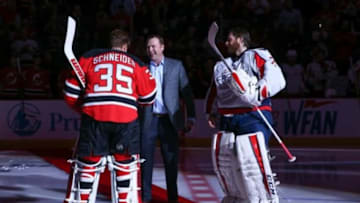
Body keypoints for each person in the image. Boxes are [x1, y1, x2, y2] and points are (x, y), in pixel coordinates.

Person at [63, 29, 156, 203]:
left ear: (109, 45)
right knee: (124, 164)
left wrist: (85, 109)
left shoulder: (89, 57)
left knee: (88, 164)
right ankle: (122, 199)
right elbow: (149, 97)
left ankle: (82, 199)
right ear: (126, 46)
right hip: (125, 120)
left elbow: (69, 93)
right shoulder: (136, 62)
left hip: (94, 118)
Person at [205, 25, 286, 202]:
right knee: (229, 167)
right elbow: (214, 90)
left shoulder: (257, 54)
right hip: (227, 119)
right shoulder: (220, 66)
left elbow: (277, 79)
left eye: (230, 39)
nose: (226, 43)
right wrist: (209, 111)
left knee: (253, 166)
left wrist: (256, 92)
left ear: (241, 39)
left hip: (253, 117)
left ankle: (264, 199)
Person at [139, 34, 196, 203]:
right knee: (145, 164)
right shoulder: (141, 68)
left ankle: (172, 199)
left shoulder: (176, 66)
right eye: (148, 47)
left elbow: (187, 93)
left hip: (169, 122)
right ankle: (146, 199)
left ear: (162, 47)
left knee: (171, 163)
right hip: (148, 121)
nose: (151, 50)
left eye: (154, 46)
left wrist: (191, 116)